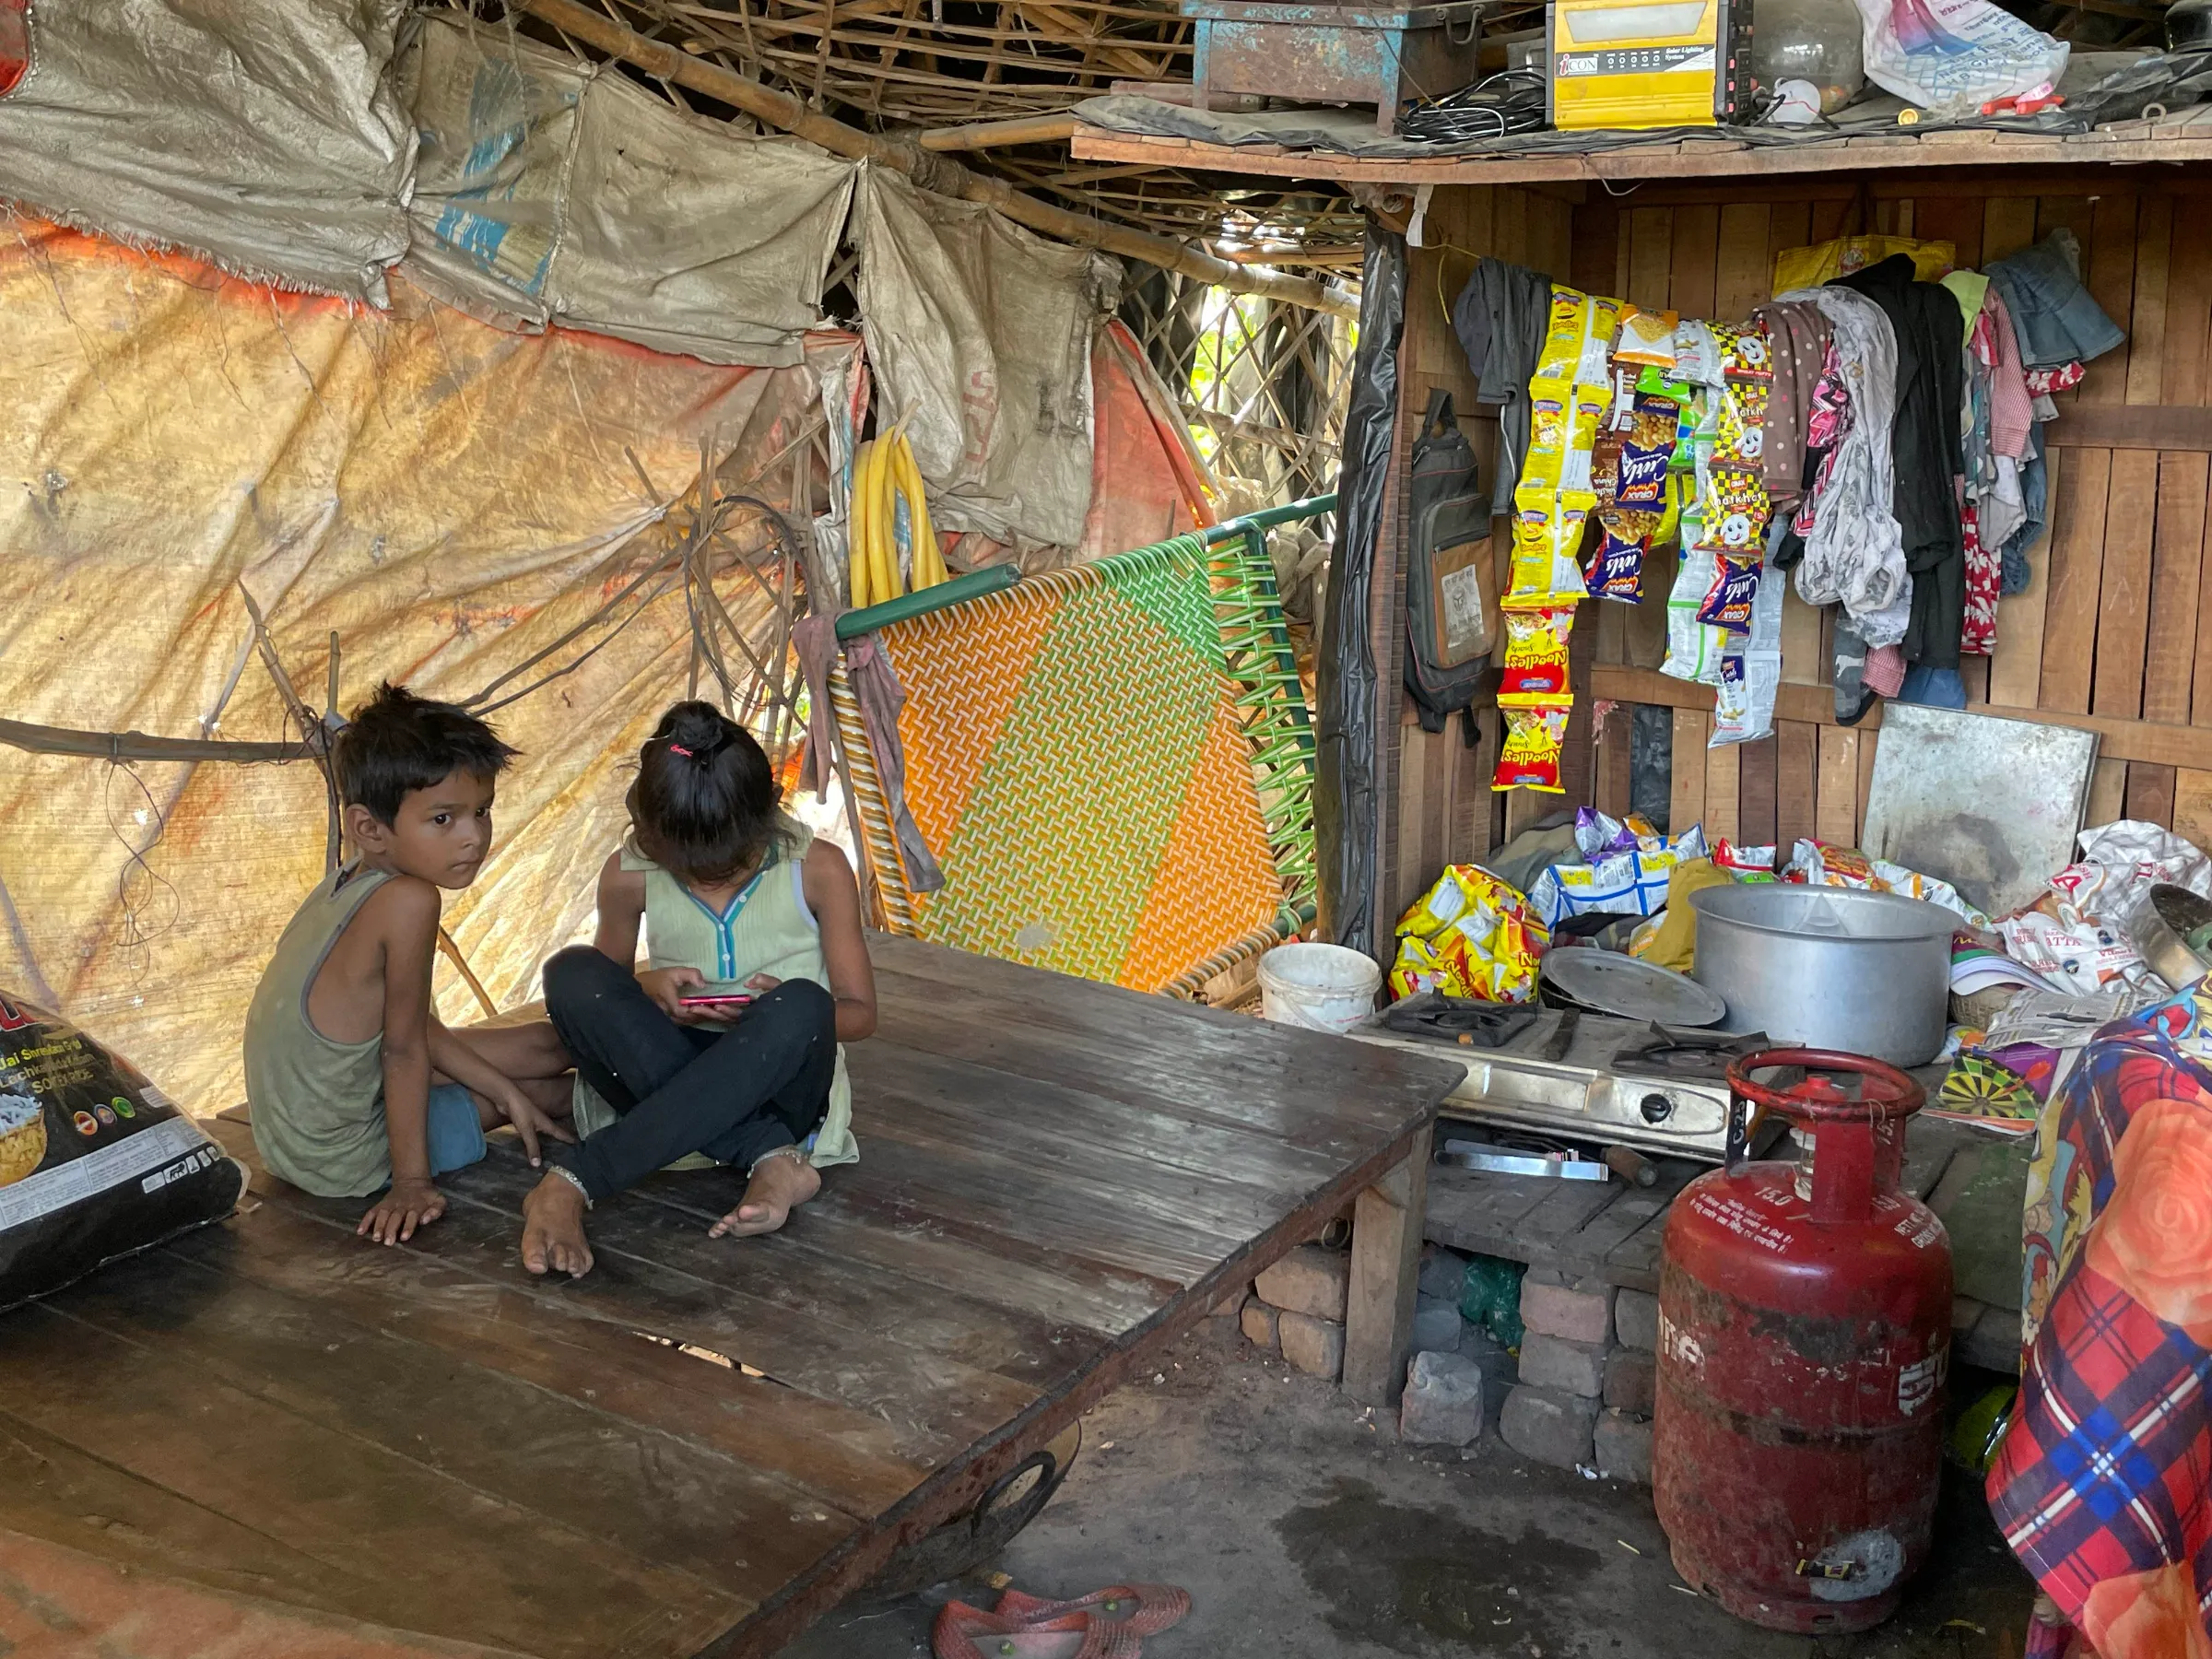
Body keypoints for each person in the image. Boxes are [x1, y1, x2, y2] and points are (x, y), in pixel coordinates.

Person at [525, 701, 875, 1277]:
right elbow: (604, 1007)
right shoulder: (628, 872)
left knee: (804, 1005)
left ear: (767, 816)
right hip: (664, 1060)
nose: (709, 876)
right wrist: (644, 987)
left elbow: (860, 1016)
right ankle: (769, 1156)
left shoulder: (818, 868)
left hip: (778, 1078)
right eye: (687, 866)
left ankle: (576, 1181)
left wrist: (772, 1007)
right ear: (652, 836)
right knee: (573, 971)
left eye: (733, 862)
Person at [243, 684, 575, 1244]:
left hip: (299, 1127)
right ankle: (671, 1110)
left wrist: (500, 1086)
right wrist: (412, 1183)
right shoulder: (410, 901)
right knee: (553, 1096)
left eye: (481, 812)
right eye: (444, 819)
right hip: (341, 1154)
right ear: (370, 828)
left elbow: (408, 1026)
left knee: (544, 1047)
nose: (475, 836)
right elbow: (401, 1050)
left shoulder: (353, 878)